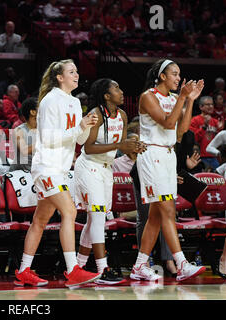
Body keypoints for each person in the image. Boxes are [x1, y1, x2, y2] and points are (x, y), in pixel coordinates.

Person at [14, 59, 101, 288]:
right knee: (69, 211)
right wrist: (79, 127)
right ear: (59, 77)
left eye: (77, 71)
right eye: (71, 71)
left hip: (60, 169)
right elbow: (49, 139)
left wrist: (87, 126)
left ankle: (23, 269)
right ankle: (72, 269)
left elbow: (79, 139)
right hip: (47, 167)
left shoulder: (73, 102)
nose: (76, 74)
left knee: (40, 221)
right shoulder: (50, 100)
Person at [130, 58, 205, 282]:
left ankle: (139, 266)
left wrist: (189, 100)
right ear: (162, 76)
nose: (178, 78)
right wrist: (182, 97)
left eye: (179, 74)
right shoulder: (148, 97)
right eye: (174, 74)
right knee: (168, 211)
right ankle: (182, 264)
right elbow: (165, 122)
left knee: (155, 216)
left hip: (168, 155)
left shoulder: (174, 98)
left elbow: (180, 132)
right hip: (152, 155)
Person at [75, 78, 145, 285]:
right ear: (106, 96)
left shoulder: (122, 115)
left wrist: (132, 146)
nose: (122, 92)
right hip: (88, 166)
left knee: (95, 220)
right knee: (97, 218)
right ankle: (102, 269)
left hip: (106, 169)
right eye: (116, 88)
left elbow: (120, 146)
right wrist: (121, 144)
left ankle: (78, 267)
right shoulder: (96, 114)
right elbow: (87, 148)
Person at [189, 96, 222, 170]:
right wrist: (204, 127)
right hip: (200, 158)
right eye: (208, 104)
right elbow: (194, 139)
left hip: (214, 158)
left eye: (212, 104)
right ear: (201, 107)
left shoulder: (215, 122)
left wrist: (220, 130)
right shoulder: (194, 120)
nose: (211, 106)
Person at [9, 97, 37, 172]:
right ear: (33, 112)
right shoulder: (19, 130)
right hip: (19, 176)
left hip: (37, 173)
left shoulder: (44, 130)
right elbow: (24, 150)